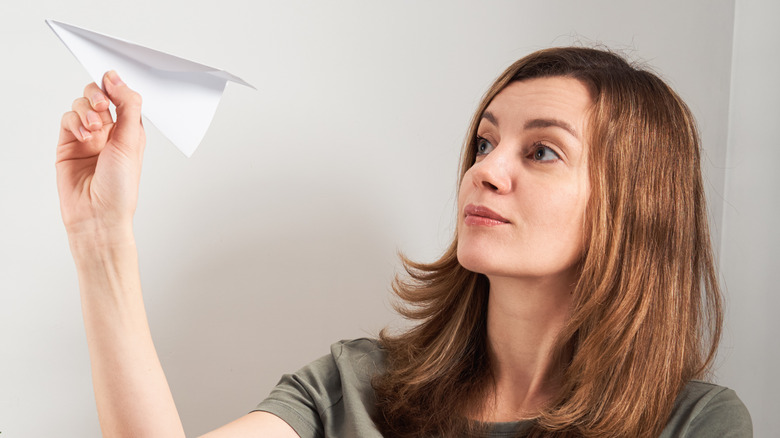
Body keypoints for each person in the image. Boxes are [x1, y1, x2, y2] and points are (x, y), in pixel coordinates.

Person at [57, 47, 752, 437]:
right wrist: (99, 236)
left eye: (541, 153)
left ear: (634, 206)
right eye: (485, 141)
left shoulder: (694, 424)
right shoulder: (354, 387)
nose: (486, 169)